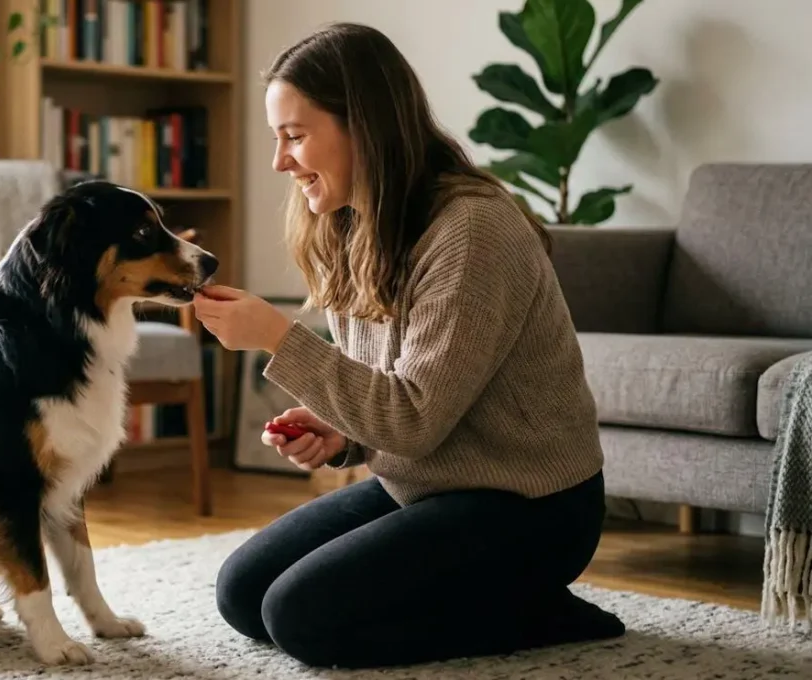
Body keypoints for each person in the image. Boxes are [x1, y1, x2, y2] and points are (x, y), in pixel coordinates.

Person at [190, 22, 627, 670]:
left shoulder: (471, 231)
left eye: (295, 135)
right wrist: (343, 435)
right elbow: (390, 398)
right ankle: (468, 595)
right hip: (427, 485)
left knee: (301, 619)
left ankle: (538, 609)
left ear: (361, 125)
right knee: (243, 594)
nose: (280, 161)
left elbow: (414, 418)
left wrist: (277, 339)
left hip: (533, 508)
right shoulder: (346, 224)